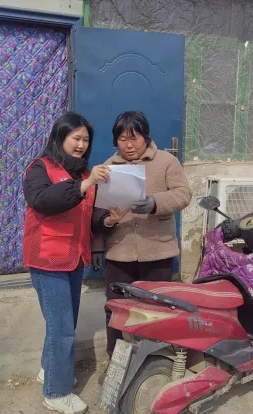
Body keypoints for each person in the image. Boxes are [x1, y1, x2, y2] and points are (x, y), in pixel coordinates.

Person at [23, 112, 124, 414]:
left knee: (61, 324)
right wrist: (86, 183)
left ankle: (49, 370)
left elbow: (88, 218)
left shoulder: (84, 174)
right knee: (63, 328)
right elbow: (43, 201)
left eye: (86, 140)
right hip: (47, 258)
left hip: (73, 258)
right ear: (60, 137)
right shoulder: (40, 168)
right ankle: (56, 393)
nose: (81, 145)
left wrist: (108, 220)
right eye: (75, 138)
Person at [91, 111, 192, 383]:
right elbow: (96, 211)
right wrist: (98, 245)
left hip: (157, 250)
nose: (129, 145)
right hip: (119, 251)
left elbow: (183, 194)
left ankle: (155, 362)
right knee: (116, 308)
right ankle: (115, 361)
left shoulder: (166, 161)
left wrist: (155, 202)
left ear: (146, 137)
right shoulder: (107, 168)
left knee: (156, 308)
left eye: (134, 138)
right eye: (122, 139)